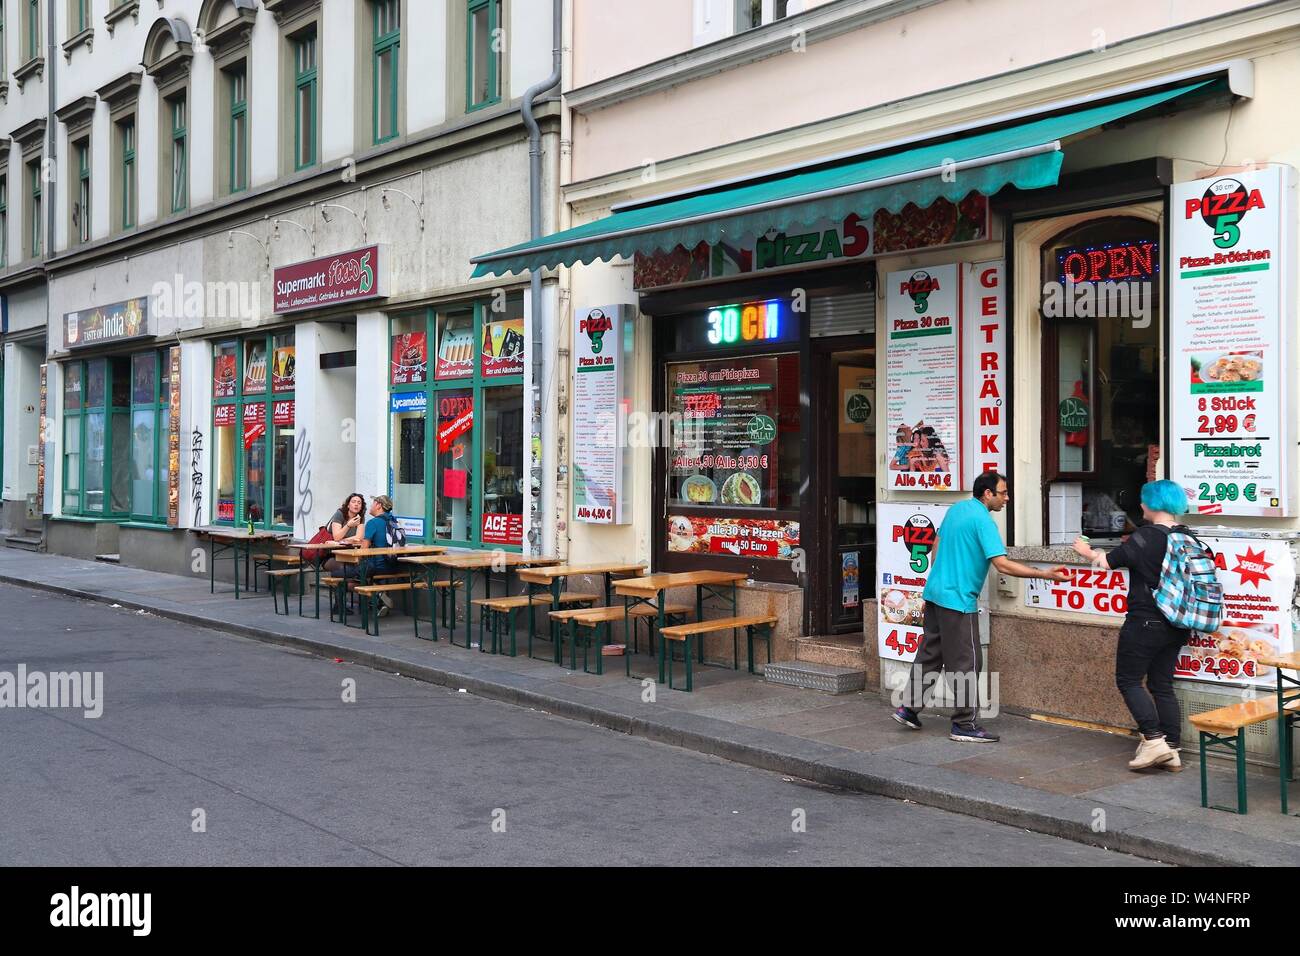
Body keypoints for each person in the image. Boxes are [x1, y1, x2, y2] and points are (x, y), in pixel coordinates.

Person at [892, 471, 1069, 742]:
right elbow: (1003, 564)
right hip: (958, 601)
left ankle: (909, 709)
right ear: (987, 493)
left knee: (930, 655)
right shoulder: (984, 521)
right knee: (967, 662)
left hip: (935, 593)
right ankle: (964, 724)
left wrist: (944, 573)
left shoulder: (957, 509)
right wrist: (1045, 574)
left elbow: (936, 545)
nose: (1007, 498)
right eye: (1003, 493)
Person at [1072, 480, 1192, 772]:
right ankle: (1172, 749)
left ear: (1152, 505)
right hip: (1177, 623)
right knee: (1162, 684)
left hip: (1145, 620)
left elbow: (1107, 563)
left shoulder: (1145, 536)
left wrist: (1085, 551)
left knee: (1127, 680)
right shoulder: (1187, 537)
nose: (1140, 506)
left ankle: (1153, 741)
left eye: (1143, 501)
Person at [322, 493, 366, 576]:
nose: (356, 504)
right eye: (353, 502)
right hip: (332, 556)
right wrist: (348, 525)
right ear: (348, 505)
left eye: (359, 503)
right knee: (348, 570)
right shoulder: (340, 514)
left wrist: (340, 542)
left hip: (350, 554)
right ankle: (341, 587)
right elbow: (336, 536)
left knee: (362, 568)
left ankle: (349, 587)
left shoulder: (360, 517)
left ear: (361, 507)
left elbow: (359, 537)